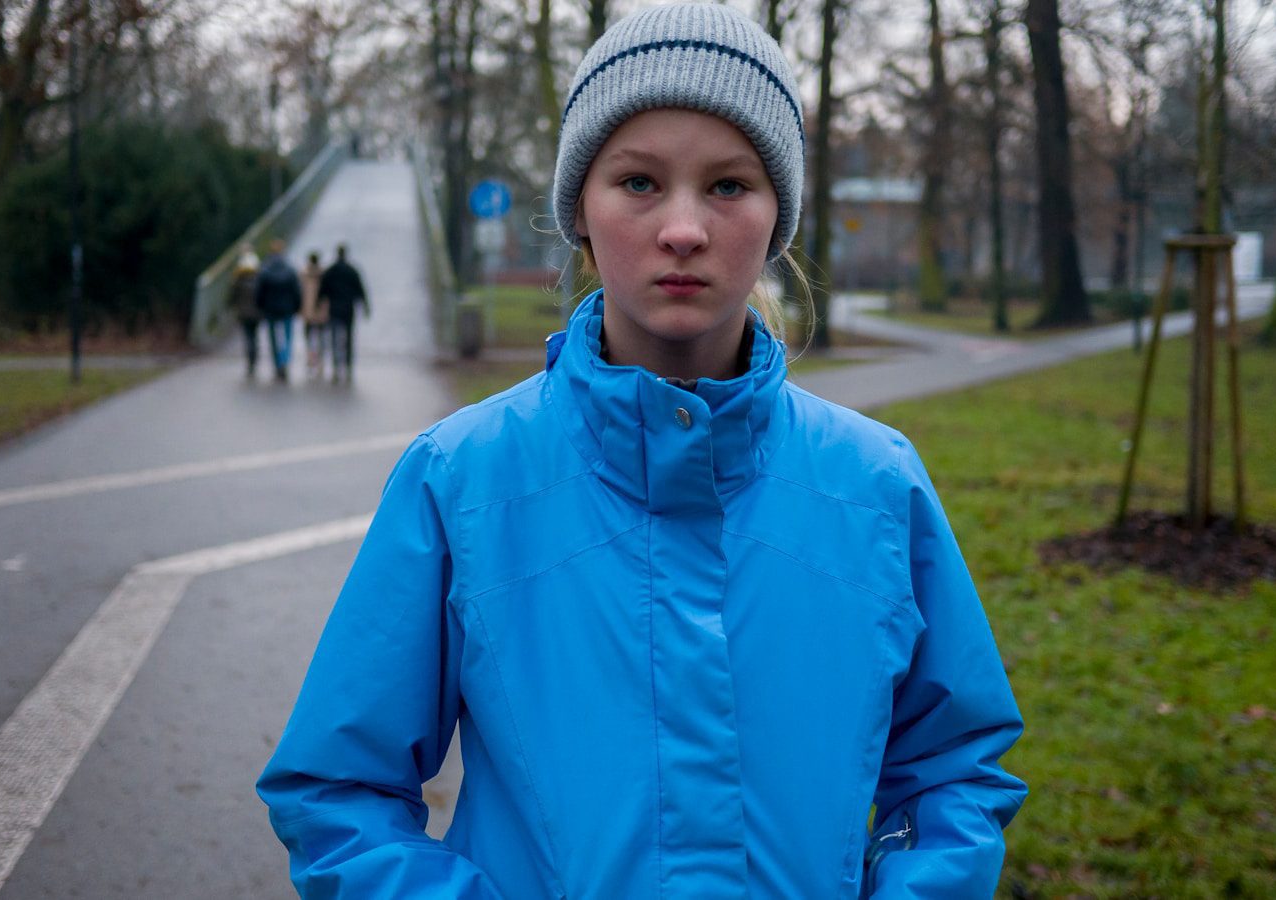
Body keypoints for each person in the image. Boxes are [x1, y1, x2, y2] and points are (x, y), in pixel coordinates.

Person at [257, 5, 1025, 898]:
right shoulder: (460, 480)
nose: (685, 229)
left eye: (731, 186)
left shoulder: (876, 487)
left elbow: (953, 772)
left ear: (779, 217)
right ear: (579, 209)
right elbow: (339, 790)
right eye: (639, 182)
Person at [317, 244, 369, 383]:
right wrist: (365, 306)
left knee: (334, 337)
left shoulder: (331, 271)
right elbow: (360, 289)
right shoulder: (352, 270)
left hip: (334, 308)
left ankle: (336, 367)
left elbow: (322, 290)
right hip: (348, 309)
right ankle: (348, 366)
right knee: (349, 338)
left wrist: (318, 304)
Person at [255, 238, 302, 381]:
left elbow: (259, 292)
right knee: (287, 336)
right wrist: (297, 306)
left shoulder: (265, 269)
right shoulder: (290, 269)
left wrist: (261, 305)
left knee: (273, 336)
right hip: (287, 308)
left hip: (270, 308)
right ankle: (284, 360)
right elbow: (296, 291)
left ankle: (277, 363)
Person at [227, 248, 261, 378]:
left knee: (248, 337)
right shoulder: (258, 280)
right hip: (256, 314)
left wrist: (231, 307)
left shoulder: (237, 281)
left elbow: (231, 298)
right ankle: (254, 357)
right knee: (254, 337)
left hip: (243, 313)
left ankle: (250, 360)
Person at [300, 251, 327, 378]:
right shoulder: (324, 275)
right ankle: (320, 362)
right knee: (321, 338)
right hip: (321, 311)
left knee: (309, 338)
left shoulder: (303, 275)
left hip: (308, 311)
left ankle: (311, 360)